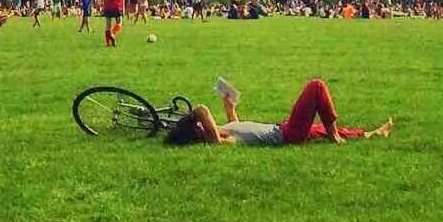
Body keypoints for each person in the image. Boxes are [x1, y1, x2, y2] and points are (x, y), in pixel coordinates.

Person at [165, 76, 393, 146]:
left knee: (318, 130)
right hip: (286, 134)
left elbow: (241, 129)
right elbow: (202, 110)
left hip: (283, 129)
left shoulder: (222, 132)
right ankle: (335, 136)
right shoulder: (217, 141)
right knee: (316, 86)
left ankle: (369, 134)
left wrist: (229, 109)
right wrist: (194, 117)